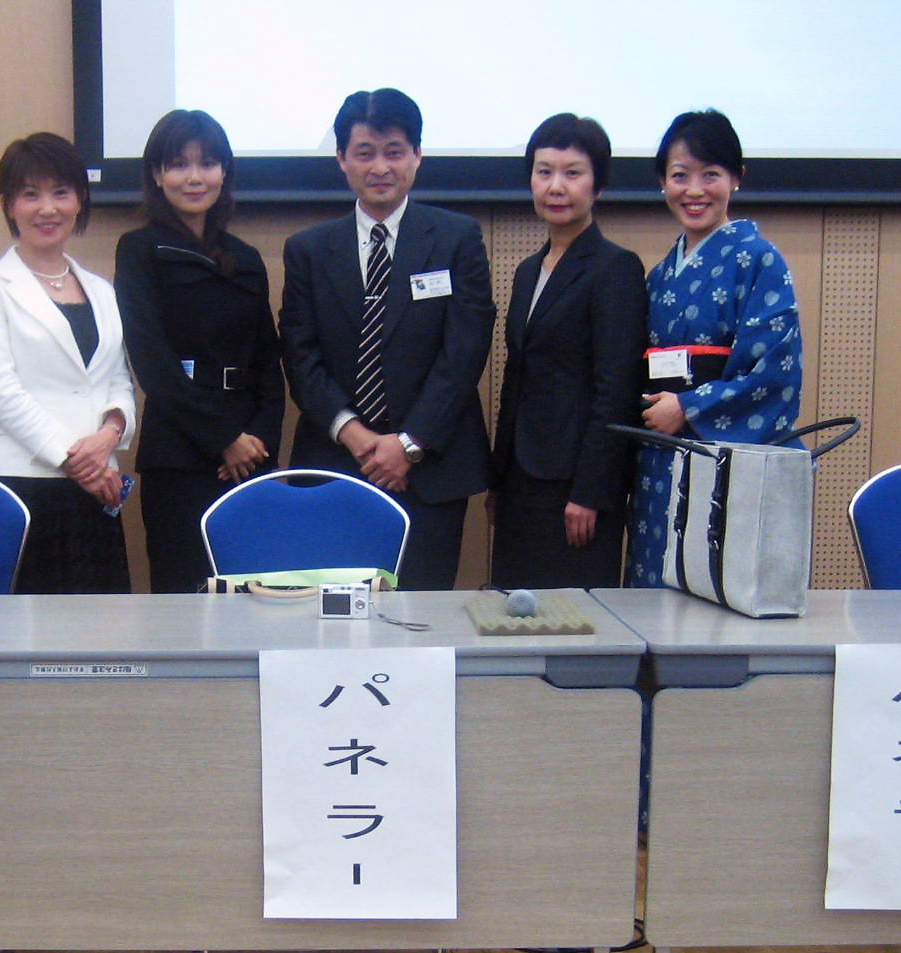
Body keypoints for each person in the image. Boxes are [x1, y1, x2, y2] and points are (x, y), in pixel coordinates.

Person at [280, 88, 494, 590]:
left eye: (394, 152)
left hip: (431, 468)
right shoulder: (307, 250)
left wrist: (408, 444)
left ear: (417, 155)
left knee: (420, 614)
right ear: (341, 158)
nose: (380, 167)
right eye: (365, 153)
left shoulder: (457, 239)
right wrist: (357, 437)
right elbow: (300, 356)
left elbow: (464, 354)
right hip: (336, 464)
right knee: (331, 613)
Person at [627, 109, 804, 587]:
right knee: (656, 589)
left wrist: (688, 406)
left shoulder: (759, 260)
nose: (695, 190)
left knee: (719, 586)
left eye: (711, 174)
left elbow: (775, 376)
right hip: (661, 458)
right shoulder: (660, 276)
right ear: (662, 182)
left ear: (736, 178)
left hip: (724, 460)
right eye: (680, 176)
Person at [0, 132, 136, 593]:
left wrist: (110, 433)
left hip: (98, 488)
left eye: (61, 192)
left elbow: (118, 379)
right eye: (30, 194)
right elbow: (0, 394)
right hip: (23, 483)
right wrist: (79, 462)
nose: (47, 208)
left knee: (101, 625)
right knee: (26, 629)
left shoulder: (101, 289)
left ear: (80, 200)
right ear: (8, 205)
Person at [115, 110, 284, 593]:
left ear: (224, 172)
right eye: (179, 164)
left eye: (207, 164)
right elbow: (153, 363)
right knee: (182, 596)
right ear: (156, 174)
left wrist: (255, 443)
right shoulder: (139, 249)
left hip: (251, 455)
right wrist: (223, 438)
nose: (194, 177)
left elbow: (268, 365)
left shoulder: (246, 257)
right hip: (179, 455)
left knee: (257, 597)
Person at [489, 114, 647, 589]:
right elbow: (517, 378)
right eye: (544, 172)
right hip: (520, 481)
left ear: (598, 185)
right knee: (513, 611)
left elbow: (616, 387)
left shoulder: (616, 268)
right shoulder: (528, 270)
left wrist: (592, 491)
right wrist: (499, 479)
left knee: (573, 617)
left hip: (576, 488)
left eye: (572, 173)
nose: (556, 186)